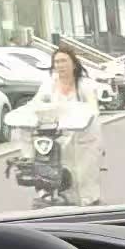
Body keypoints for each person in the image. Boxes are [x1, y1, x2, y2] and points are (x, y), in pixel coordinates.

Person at [28, 44, 102, 205]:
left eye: (64, 61)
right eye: (57, 62)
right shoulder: (49, 85)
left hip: (83, 135)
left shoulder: (84, 85)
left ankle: (87, 203)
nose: (60, 65)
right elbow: (36, 104)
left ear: (73, 64)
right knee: (55, 168)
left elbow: (93, 108)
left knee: (83, 173)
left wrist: (84, 116)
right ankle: (54, 198)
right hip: (58, 135)